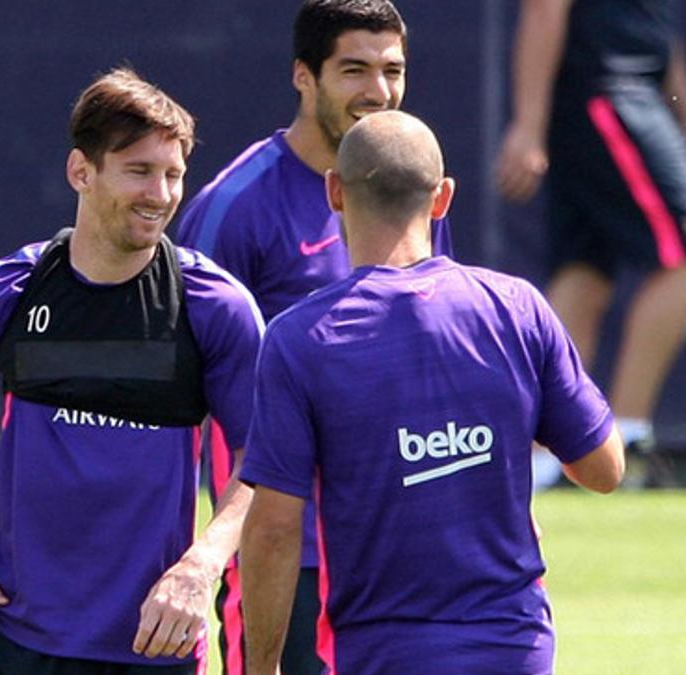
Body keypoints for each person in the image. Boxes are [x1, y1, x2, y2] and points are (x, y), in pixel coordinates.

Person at [238, 110, 624, 674]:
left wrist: (262, 667)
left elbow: (273, 528)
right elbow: (603, 469)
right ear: (442, 198)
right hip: (514, 646)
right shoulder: (516, 309)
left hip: (382, 652)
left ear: (335, 192)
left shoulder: (300, 338)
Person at [0, 68, 264, 674]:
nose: (161, 193)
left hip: (156, 649)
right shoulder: (6, 294)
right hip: (17, 644)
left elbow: (266, 461)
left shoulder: (214, 307)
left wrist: (201, 567)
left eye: (173, 174)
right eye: (139, 171)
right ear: (82, 171)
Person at [173, 2, 451, 672]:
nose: (378, 92)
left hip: (394, 538)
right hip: (280, 548)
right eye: (353, 69)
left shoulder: (408, 184)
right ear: (305, 76)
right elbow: (182, 380)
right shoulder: (235, 205)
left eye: (392, 70)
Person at [495, 0, 686, 487]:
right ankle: (622, 439)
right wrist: (528, 126)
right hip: (606, 91)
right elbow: (544, 10)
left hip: (625, 93)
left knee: (585, 271)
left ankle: (541, 457)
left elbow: (661, 26)